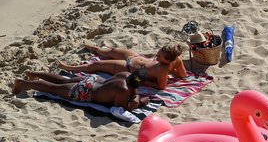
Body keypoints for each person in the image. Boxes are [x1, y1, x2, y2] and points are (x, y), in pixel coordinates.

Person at [58, 44, 188, 91]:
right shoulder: (176, 60)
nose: (157, 56)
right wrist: (174, 70)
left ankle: (69, 67)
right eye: (158, 53)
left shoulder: (162, 70)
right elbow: (183, 75)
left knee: (97, 65)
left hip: (128, 68)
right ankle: (95, 49)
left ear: (168, 60)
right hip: (136, 57)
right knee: (111, 51)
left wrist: (143, 80)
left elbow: (161, 87)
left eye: (159, 57)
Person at [11, 70, 148, 112]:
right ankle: (24, 83)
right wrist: (140, 102)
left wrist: (135, 96)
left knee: (63, 80)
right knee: (54, 89)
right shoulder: (123, 91)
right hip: (86, 91)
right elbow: (121, 108)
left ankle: (34, 73)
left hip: (94, 80)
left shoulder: (124, 74)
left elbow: (133, 90)